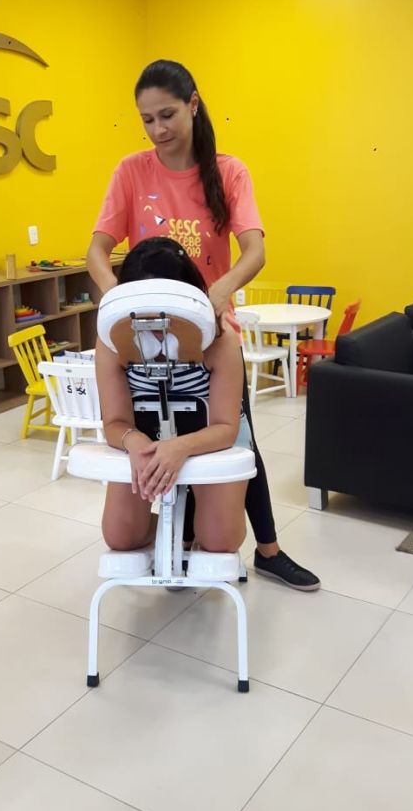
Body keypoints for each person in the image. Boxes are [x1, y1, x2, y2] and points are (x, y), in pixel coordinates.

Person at [87, 58, 319, 590]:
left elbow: (255, 250)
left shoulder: (228, 171)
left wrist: (219, 291)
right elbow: (97, 251)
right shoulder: (131, 171)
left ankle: (267, 550)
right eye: (147, 120)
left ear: (193, 104)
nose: (158, 129)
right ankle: (180, 542)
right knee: (158, 431)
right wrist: (119, 300)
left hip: (210, 333)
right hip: (144, 331)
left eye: (167, 115)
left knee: (236, 440)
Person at [96, 237, 249, 555]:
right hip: (146, 438)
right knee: (120, 537)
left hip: (210, 437)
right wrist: (134, 442)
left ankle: (195, 521)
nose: (156, 324)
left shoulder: (221, 341)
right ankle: (175, 529)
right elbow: (113, 422)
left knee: (221, 540)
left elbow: (225, 427)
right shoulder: (112, 342)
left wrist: (181, 447)